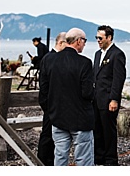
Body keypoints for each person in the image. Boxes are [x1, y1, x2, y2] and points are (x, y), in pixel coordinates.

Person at [43, 28, 94, 166]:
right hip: (80, 118)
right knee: (83, 159)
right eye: (84, 41)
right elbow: (87, 93)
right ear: (78, 41)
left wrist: (50, 110)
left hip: (58, 116)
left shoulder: (51, 60)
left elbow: (45, 90)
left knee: (60, 157)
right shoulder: (85, 63)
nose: (84, 44)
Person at [92, 25, 127, 166]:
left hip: (108, 100)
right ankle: (99, 158)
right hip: (96, 99)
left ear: (109, 37)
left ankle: (111, 161)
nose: (98, 40)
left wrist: (114, 99)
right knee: (97, 131)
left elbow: (118, 79)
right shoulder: (97, 54)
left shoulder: (117, 54)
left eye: (100, 38)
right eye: (96, 38)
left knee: (109, 132)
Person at [37, 32, 68, 166]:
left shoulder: (48, 58)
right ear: (61, 43)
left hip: (52, 102)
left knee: (51, 134)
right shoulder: (51, 58)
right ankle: (44, 161)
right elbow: (45, 84)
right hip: (51, 103)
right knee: (48, 134)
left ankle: (48, 160)